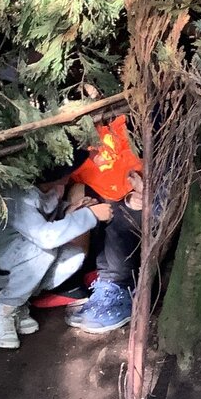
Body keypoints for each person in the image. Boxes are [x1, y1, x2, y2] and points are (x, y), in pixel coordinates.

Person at [0, 151, 113, 349]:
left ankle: (19, 302)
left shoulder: (53, 188)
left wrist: (70, 211)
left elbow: (46, 218)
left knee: (73, 256)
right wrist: (90, 216)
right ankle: (4, 310)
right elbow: (45, 237)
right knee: (42, 250)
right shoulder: (16, 193)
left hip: (16, 254)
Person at [63, 115, 145, 334]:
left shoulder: (127, 123)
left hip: (134, 194)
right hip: (105, 196)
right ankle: (103, 285)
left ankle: (122, 287)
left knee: (129, 208)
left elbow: (139, 168)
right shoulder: (84, 128)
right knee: (88, 202)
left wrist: (138, 190)